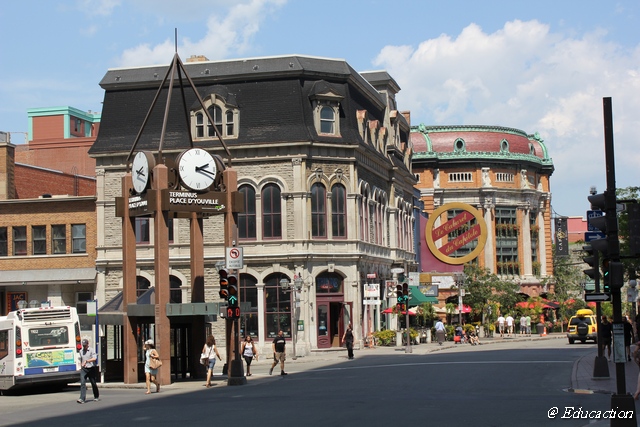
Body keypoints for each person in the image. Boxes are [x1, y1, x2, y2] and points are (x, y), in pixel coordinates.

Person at [77, 339, 99, 403]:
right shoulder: (81, 351)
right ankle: (82, 398)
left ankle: (96, 396)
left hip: (91, 368)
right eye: (83, 345)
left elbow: (94, 358)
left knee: (93, 383)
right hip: (84, 369)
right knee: (82, 383)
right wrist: (80, 365)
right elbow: (80, 359)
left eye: (85, 345)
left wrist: (87, 361)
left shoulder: (91, 350)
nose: (84, 347)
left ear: (87, 344)